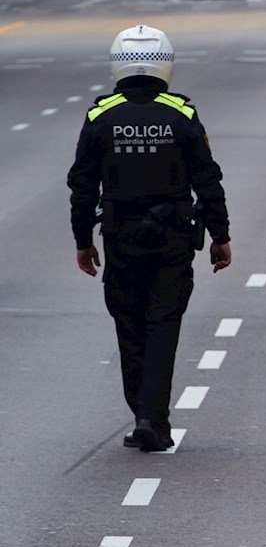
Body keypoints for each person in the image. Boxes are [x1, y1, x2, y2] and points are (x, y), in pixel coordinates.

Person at [67, 26, 232, 452]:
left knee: (129, 326)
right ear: (166, 62)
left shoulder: (100, 117)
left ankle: (145, 413)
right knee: (162, 325)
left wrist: (83, 241)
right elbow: (208, 180)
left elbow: (82, 187)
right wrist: (220, 235)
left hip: (121, 240)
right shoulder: (182, 115)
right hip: (173, 241)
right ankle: (151, 417)